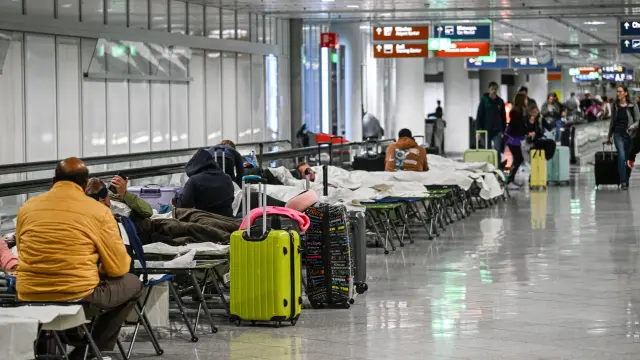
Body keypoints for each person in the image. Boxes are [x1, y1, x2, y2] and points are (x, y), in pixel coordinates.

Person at [15, 157, 141, 359]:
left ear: (53, 180)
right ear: (84, 185)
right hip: (77, 293)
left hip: (29, 293)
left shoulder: (27, 208)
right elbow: (118, 268)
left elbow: (22, 251)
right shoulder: (99, 211)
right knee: (132, 283)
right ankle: (91, 351)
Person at [174, 149, 235, 217]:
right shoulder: (227, 178)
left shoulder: (194, 180)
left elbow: (183, 206)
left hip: (205, 222)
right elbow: (231, 199)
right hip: (228, 221)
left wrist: (175, 201)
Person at [606, 85, 640, 190]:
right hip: (618, 134)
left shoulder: (632, 105)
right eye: (617, 92)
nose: (618, 93)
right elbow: (612, 122)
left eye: (620, 92)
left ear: (626, 93)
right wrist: (609, 136)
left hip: (630, 135)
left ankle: (626, 177)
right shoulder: (614, 105)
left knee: (628, 157)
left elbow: (638, 120)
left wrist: (631, 128)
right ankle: (623, 181)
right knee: (621, 156)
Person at [476, 82, 507, 160]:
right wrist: (478, 130)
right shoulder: (484, 101)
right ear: (489, 90)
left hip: (497, 131)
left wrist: (504, 131)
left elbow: (503, 117)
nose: (494, 91)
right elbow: (479, 115)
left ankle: (497, 167)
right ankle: (488, 167)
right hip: (486, 130)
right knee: (487, 150)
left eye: (495, 89)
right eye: (492, 89)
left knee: (497, 150)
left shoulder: (500, 102)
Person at [504, 94, 528, 190]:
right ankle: (509, 180)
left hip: (514, 138)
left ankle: (511, 179)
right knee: (518, 159)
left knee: (518, 159)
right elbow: (517, 126)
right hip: (512, 138)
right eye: (525, 99)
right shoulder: (516, 112)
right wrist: (525, 132)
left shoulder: (519, 110)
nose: (526, 101)